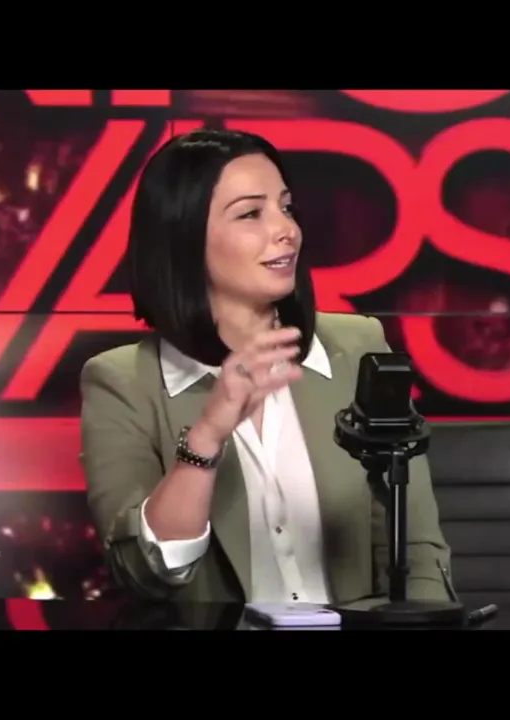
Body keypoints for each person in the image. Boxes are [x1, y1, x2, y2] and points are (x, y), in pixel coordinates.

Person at [79, 128, 453, 605]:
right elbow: (144, 574)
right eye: (251, 214)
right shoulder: (121, 383)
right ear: (184, 236)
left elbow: (415, 547)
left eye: (286, 207)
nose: (287, 230)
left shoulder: (358, 347)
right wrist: (207, 438)